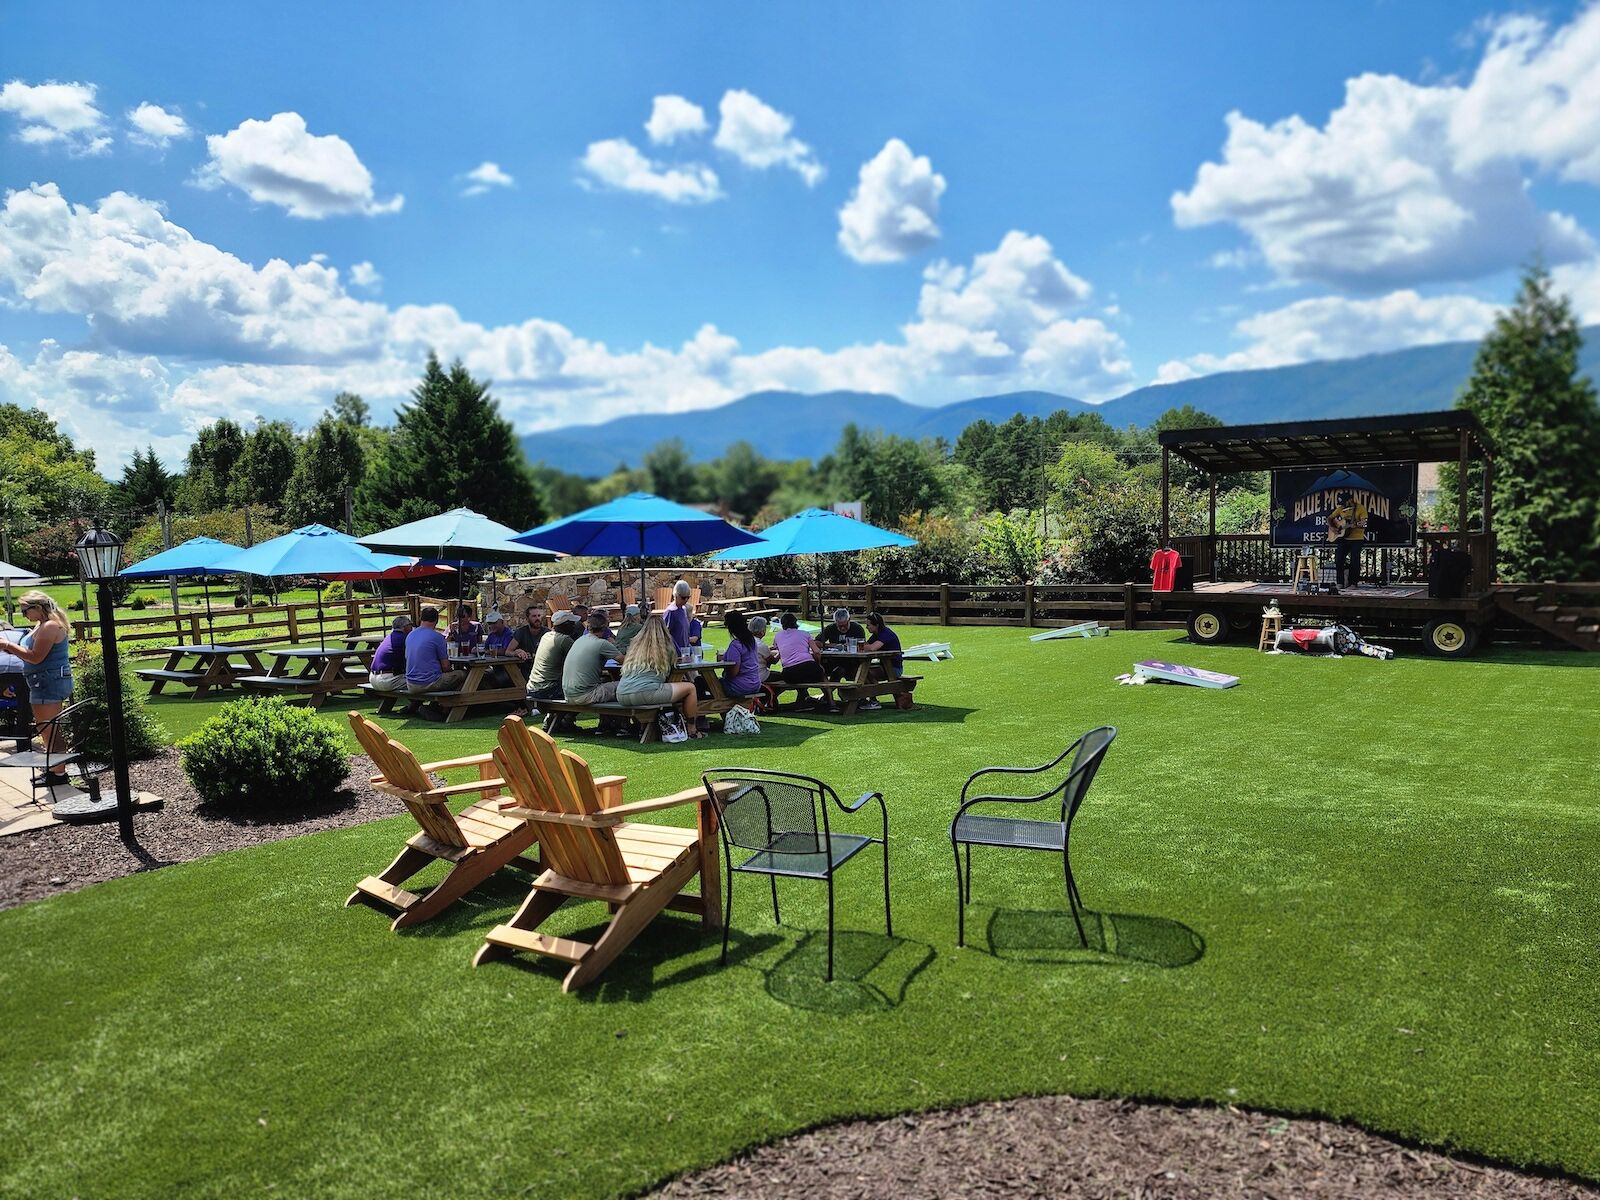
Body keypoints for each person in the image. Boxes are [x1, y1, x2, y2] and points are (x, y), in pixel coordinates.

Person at [0, 591, 73, 788]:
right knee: (46, 729)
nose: (24, 615)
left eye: (25, 610)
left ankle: (58, 774)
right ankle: (53, 770)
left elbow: (35, 657)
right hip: (41, 682)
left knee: (51, 729)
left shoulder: (50, 626)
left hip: (49, 682)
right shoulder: (41, 625)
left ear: (38, 608)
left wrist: (7, 644)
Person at [616, 616, 702, 737]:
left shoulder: (635, 646)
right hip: (645, 692)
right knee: (690, 688)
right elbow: (673, 666)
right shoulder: (665, 647)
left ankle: (641, 726)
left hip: (622, 692)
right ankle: (692, 729)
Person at [405, 606, 466, 702]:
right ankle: (446, 708)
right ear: (436, 620)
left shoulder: (410, 635)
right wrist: (452, 671)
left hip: (410, 683)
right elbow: (445, 666)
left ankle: (418, 707)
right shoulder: (437, 637)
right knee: (463, 675)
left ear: (421, 618)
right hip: (429, 682)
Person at [562, 611, 622, 706]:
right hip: (587, 695)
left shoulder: (579, 640)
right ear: (605, 626)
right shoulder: (602, 643)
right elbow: (625, 661)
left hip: (569, 695)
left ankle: (608, 720)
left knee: (607, 682)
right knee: (627, 686)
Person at [526, 610, 580, 706]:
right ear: (565, 625)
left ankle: (558, 719)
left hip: (532, 687)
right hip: (547, 690)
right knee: (584, 693)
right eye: (572, 623)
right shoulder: (564, 639)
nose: (574, 626)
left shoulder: (546, 636)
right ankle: (565, 719)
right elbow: (580, 660)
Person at [772, 612, 825, 708]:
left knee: (798, 675)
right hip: (808, 669)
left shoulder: (777, 636)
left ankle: (803, 699)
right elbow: (817, 652)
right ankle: (830, 702)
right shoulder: (805, 634)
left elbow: (780, 650)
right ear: (796, 623)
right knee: (821, 673)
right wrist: (818, 663)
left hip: (789, 674)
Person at [859, 611, 905, 712]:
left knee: (865, 673)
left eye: (868, 625)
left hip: (894, 669)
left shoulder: (886, 634)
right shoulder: (877, 634)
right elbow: (867, 644)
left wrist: (858, 645)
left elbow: (872, 648)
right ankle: (867, 697)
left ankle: (873, 699)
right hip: (885, 666)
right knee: (860, 672)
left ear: (876, 625)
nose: (867, 627)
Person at [1328, 488, 1369, 590]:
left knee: (1355, 560)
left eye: (1345, 503)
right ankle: (1340, 583)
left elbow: (1364, 522)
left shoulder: (1360, 508)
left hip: (1357, 538)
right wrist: (1333, 527)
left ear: (1350, 500)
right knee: (1339, 559)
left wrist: (1357, 525)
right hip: (1343, 538)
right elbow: (1329, 518)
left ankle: (1353, 583)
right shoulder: (1341, 509)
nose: (1343, 505)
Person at [720, 611, 764, 702]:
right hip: (755, 684)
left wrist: (725, 672)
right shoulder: (751, 641)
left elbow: (734, 672)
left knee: (707, 682)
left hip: (740, 687)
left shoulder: (735, 645)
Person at [816, 607, 867, 681]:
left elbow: (863, 644)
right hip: (835, 659)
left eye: (845, 625)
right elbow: (816, 642)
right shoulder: (830, 628)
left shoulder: (857, 628)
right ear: (835, 622)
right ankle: (829, 689)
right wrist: (831, 645)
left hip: (852, 661)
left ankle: (829, 690)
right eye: (840, 626)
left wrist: (851, 645)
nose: (843, 628)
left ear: (849, 620)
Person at [367, 614, 412, 693]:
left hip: (373, 678)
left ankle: (414, 705)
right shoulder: (405, 639)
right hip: (388, 680)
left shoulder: (388, 637)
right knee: (422, 683)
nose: (412, 627)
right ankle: (418, 705)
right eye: (410, 625)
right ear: (405, 627)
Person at [664, 579, 694, 652]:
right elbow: (665, 634)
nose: (686, 600)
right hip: (674, 652)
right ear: (676, 595)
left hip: (685, 651)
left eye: (688, 597)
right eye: (683, 597)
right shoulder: (671, 612)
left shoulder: (684, 609)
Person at [747, 615, 775, 682]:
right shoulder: (761, 645)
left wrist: (769, 648)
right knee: (786, 677)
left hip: (747, 676)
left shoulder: (746, 641)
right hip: (760, 676)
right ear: (762, 631)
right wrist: (780, 652)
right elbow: (772, 661)